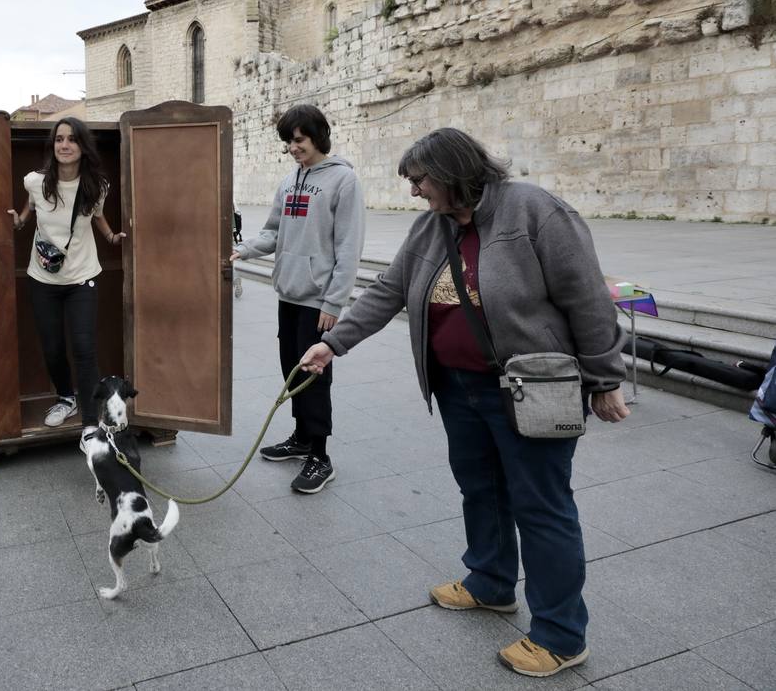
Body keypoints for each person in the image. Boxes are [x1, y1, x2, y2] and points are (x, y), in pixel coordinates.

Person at [299, 127, 630, 678]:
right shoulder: (431, 227)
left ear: (453, 174)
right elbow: (388, 291)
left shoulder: (533, 211)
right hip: (458, 388)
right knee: (480, 490)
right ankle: (491, 582)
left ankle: (560, 635)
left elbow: (587, 297)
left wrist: (604, 378)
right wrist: (333, 343)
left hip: (528, 390)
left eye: (419, 180)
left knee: (542, 509)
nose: (414, 192)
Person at [231, 104, 364, 493]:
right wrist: (244, 250)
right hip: (288, 293)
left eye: (299, 139)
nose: (293, 147)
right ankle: (302, 437)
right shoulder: (289, 182)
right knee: (291, 368)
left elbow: (349, 246)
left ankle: (320, 457)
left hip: (318, 300)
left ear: (318, 136)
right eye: (289, 141)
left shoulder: (344, 181)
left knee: (314, 378)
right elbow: (274, 232)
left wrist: (334, 302)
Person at [7, 117, 126, 428]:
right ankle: (65, 398)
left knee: (84, 348)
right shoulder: (35, 181)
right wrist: (17, 222)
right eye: (59, 139)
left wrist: (112, 237)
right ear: (53, 145)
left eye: (72, 139)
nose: (64, 145)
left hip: (82, 277)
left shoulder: (96, 185)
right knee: (53, 347)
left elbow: (96, 215)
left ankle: (89, 424)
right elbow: (27, 211)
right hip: (43, 278)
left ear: (83, 146)